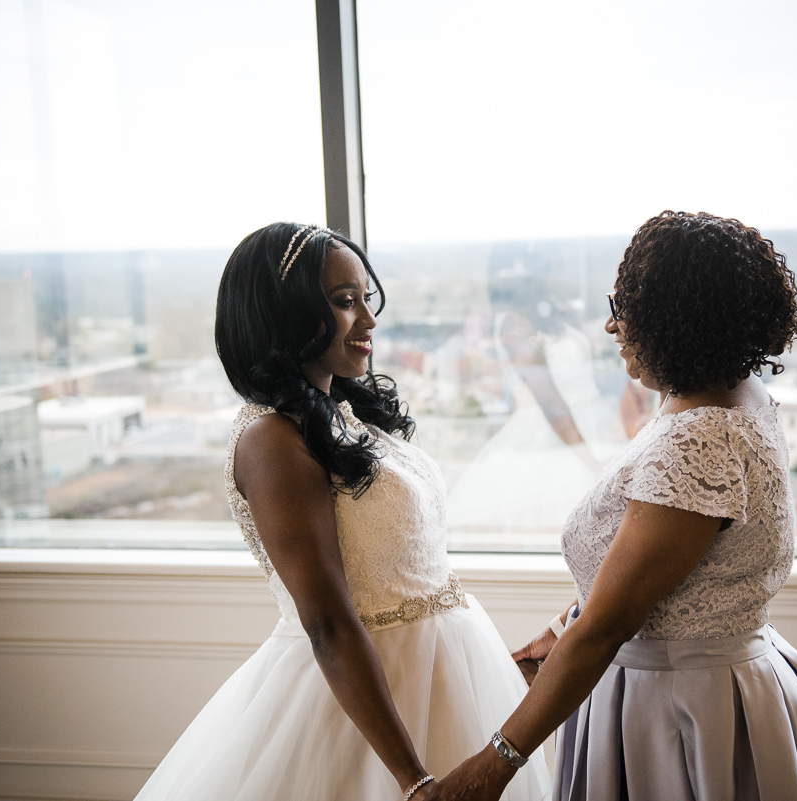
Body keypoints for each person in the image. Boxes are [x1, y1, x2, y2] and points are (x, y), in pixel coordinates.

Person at [429, 211, 797, 801]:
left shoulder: (697, 439)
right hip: (723, 680)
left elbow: (613, 622)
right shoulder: (736, 394)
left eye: (628, 308)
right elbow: (665, 580)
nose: (613, 326)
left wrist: (493, 765)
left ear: (677, 322)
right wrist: (563, 628)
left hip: (679, 713)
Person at [132, 223, 550, 801]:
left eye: (366, 299)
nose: (369, 320)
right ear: (285, 314)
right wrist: (413, 781)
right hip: (362, 714)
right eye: (344, 302)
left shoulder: (344, 413)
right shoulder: (271, 441)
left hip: (449, 679)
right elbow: (327, 622)